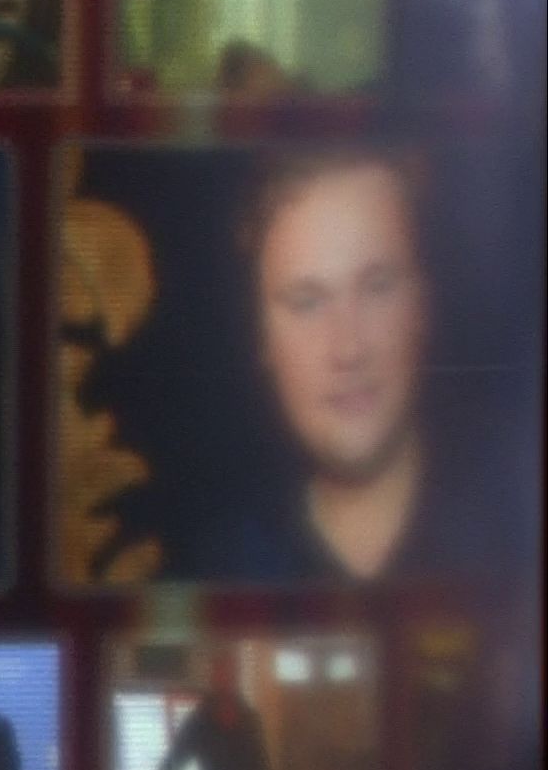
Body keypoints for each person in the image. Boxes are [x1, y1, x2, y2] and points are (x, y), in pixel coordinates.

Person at [183, 149, 533, 583]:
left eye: (377, 287)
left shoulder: (519, 521)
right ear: (262, 338)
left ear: (423, 304)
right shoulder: (224, 569)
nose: (348, 349)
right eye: (307, 303)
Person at [133, 649, 275, 770]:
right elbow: (170, 764)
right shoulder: (198, 722)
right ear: (213, 677)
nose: (226, 679)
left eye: (231, 673)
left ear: (237, 676)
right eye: (221, 672)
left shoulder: (250, 719)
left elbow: (262, 765)